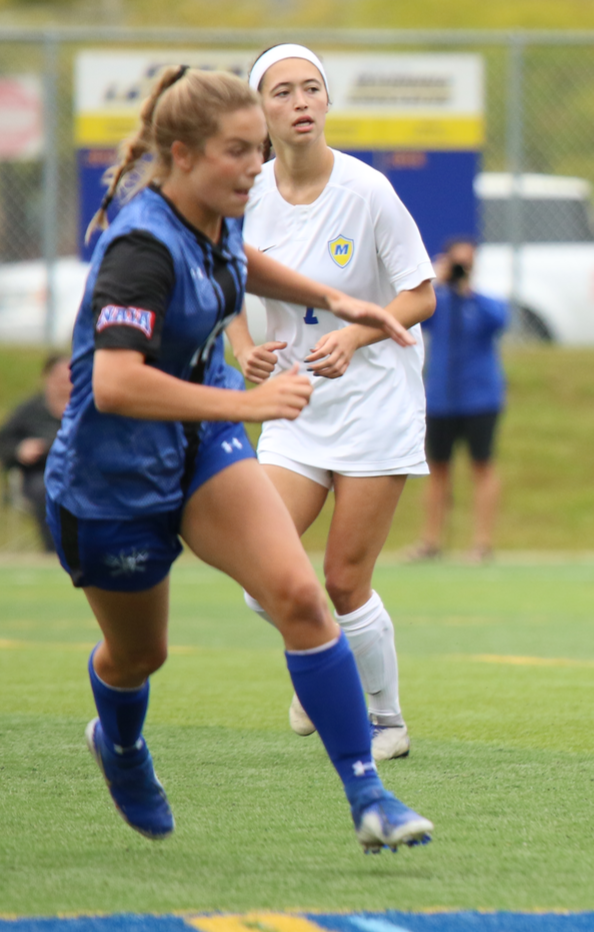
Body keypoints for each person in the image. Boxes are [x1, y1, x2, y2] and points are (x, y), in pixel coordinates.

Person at [44, 62, 433, 851]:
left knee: (300, 594)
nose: (255, 167)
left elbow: (239, 264)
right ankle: (118, 744)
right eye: (238, 152)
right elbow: (116, 384)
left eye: (258, 151)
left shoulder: (220, 219)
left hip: (200, 451)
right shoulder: (138, 251)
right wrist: (247, 403)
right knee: (138, 653)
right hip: (112, 477)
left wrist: (343, 302)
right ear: (182, 154)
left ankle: (370, 793)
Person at [225, 44, 436, 763]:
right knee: (264, 570)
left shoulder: (368, 189)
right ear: (260, 112)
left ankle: (386, 723)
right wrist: (240, 344)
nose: (300, 102)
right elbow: (224, 283)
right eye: (282, 92)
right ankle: (318, 651)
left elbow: (421, 293)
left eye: (311, 88)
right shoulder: (243, 192)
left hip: (376, 400)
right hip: (294, 406)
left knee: (345, 580)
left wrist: (354, 335)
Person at [410, 237, 510, 563]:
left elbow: (500, 321)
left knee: (482, 465)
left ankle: (482, 543)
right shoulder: (439, 303)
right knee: (437, 469)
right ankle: (431, 540)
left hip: (480, 398)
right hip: (441, 398)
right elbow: (411, 315)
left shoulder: (482, 304)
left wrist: (466, 289)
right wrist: (434, 280)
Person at [0, 352, 71, 551]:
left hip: (80, 474)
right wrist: (20, 449)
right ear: (47, 378)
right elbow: (0, 442)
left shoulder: (87, 409)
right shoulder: (31, 411)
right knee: (48, 491)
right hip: (40, 474)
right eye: (60, 378)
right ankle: (54, 553)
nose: (66, 383)